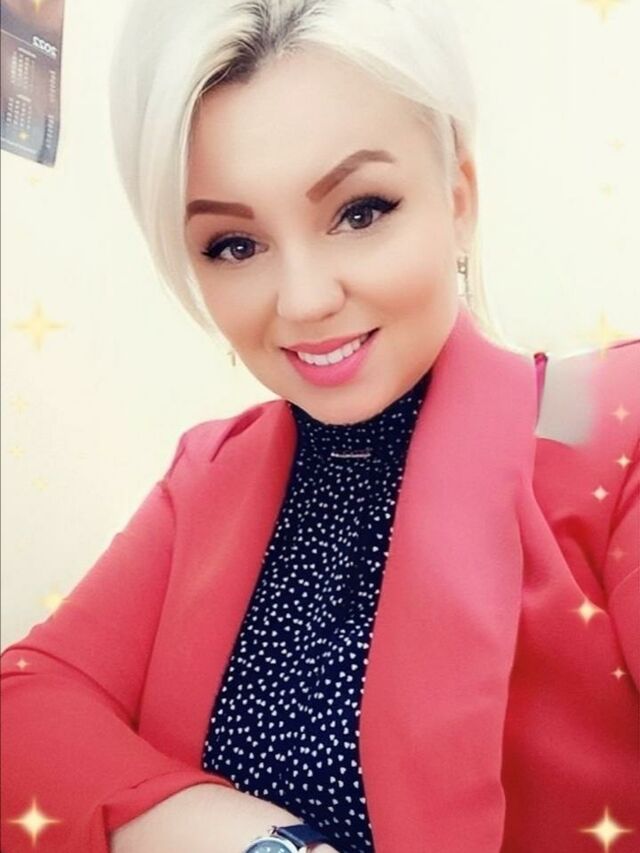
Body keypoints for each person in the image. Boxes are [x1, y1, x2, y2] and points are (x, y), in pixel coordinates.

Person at [1, 1, 638, 851]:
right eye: (234, 244)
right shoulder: (210, 472)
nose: (303, 300)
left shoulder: (614, 432)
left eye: (360, 210)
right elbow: (29, 697)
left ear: (457, 198)